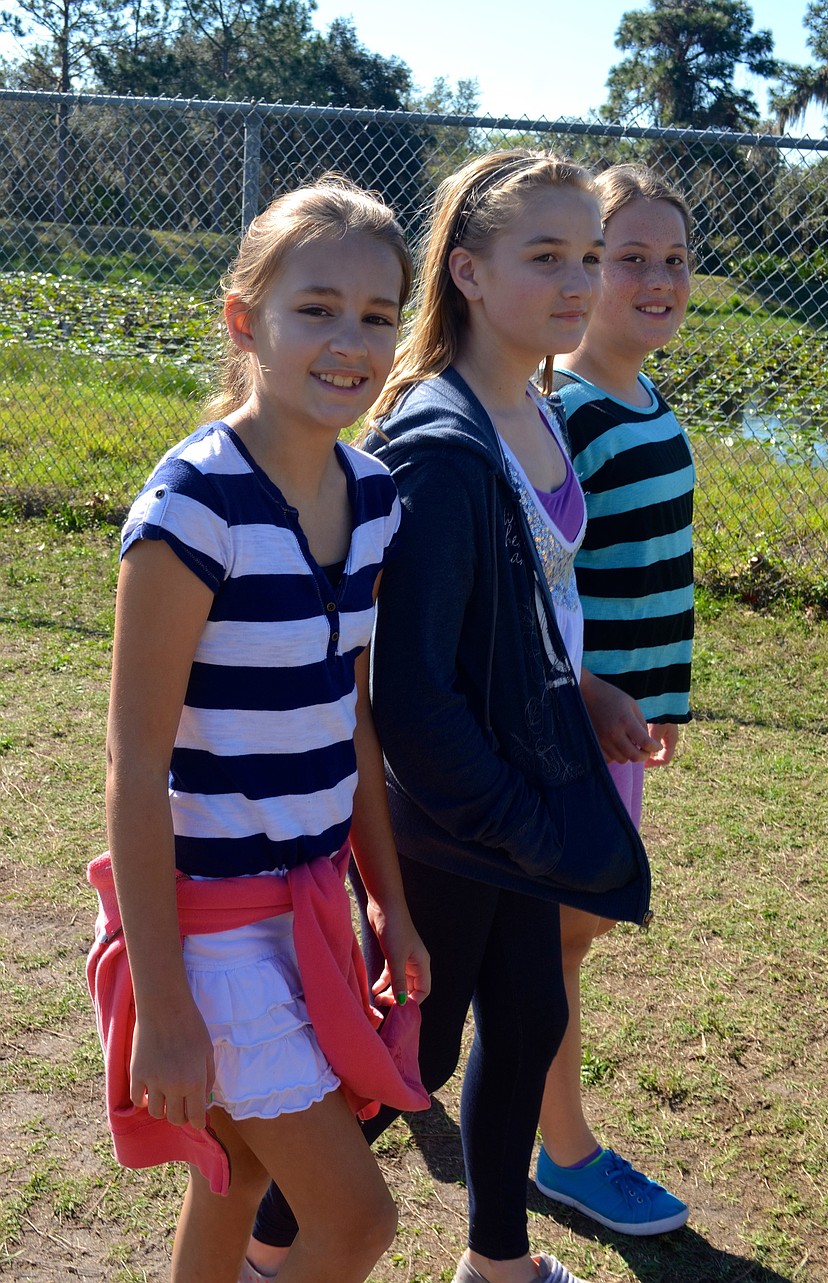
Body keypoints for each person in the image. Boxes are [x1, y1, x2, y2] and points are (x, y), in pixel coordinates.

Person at [245, 149, 653, 1283]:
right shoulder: (441, 442)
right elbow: (413, 693)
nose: (579, 282)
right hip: (458, 814)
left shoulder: (536, 408)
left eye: (590, 256)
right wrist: (517, 820)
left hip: (518, 788)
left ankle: (498, 1263)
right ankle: (266, 1253)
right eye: (545, 256)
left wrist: (584, 690)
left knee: (526, 1019)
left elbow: (513, 613)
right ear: (468, 272)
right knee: (409, 1051)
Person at [88, 175, 433, 1283]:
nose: (351, 341)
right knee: (355, 1222)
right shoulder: (192, 505)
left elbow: (349, 718)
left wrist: (387, 899)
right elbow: (135, 767)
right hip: (211, 934)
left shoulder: (375, 497)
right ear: (245, 320)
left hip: (311, 907)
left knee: (233, 1175)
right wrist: (168, 1006)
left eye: (376, 316)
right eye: (316, 309)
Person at [534, 163, 695, 1236]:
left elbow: (653, 571)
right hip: (570, 729)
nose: (657, 278)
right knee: (557, 936)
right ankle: (562, 1149)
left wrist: (661, 695)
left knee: (570, 932)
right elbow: (537, 588)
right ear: (583, 274)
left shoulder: (648, 399)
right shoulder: (564, 414)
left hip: (623, 730)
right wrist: (592, 689)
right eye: (628, 257)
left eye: (674, 259)